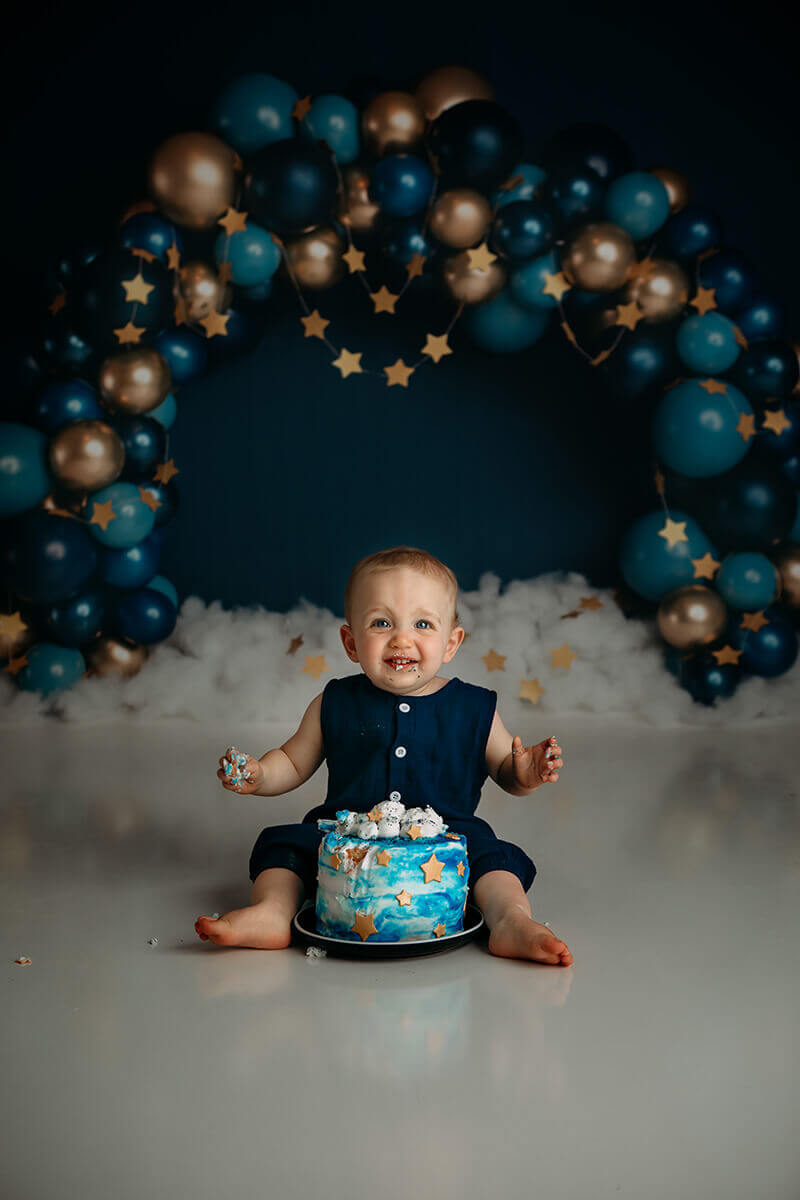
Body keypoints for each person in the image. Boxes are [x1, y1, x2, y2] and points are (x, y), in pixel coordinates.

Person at [195, 546, 572, 966]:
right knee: (286, 850)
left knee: (493, 860)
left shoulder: (473, 707)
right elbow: (293, 761)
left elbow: (505, 768)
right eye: (381, 622)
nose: (401, 638)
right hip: (345, 834)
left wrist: (524, 772)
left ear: (451, 643)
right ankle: (272, 914)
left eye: (422, 624)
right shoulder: (334, 702)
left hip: (446, 835)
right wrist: (261, 774)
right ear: (351, 641)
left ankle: (510, 923)